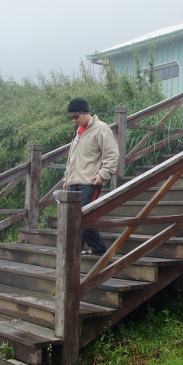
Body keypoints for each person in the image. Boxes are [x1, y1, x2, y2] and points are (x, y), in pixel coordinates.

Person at [62, 97, 119, 255]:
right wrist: (67, 178)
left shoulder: (101, 128)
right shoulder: (77, 132)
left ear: (85, 113)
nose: (73, 120)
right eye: (71, 117)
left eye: (76, 117)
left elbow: (112, 154)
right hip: (74, 182)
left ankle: (72, 253)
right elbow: (71, 158)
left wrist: (103, 174)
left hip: (89, 183)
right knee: (82, 216)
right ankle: (98, 247)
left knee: (80, 217)